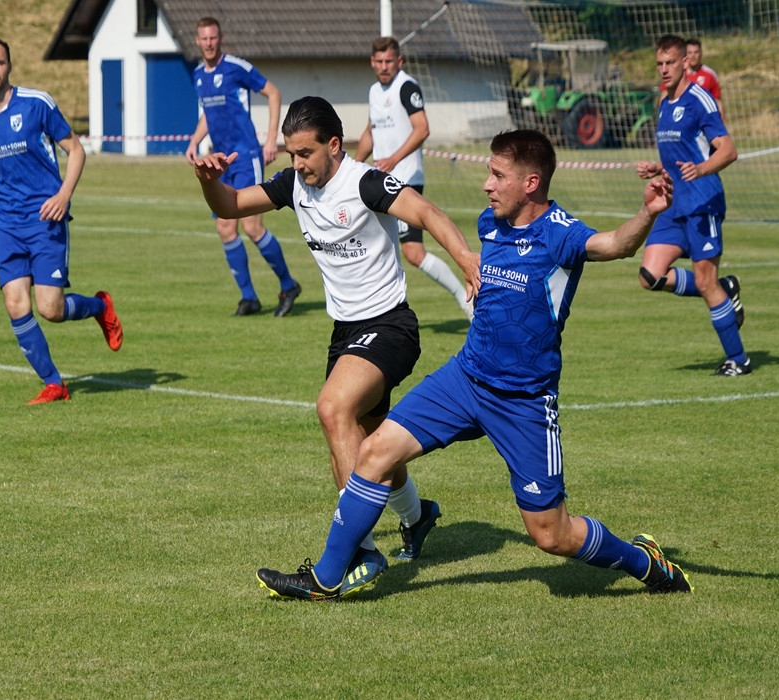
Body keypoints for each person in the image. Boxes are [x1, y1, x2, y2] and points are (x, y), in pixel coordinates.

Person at [256, 128, 693, 601]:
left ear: (530, 183)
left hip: (523, 400)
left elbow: (616, 245)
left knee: (552, 535)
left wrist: (647, 213)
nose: (487, 184)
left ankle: (644, 562)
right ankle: (326, 578)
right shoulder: (491, 222)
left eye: (498, 175)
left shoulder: (561, 233)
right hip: (464, 379)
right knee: (375, 452)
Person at [194, 96, 480, 597]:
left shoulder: (365, 182)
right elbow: (230, 205)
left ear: (333, 145)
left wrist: (465, 258)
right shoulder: (293, 185)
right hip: (345, 333)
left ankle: (359, 554)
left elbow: (425, 210)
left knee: (333, 409)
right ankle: (417, 516)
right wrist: (208, 181)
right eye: (291, 154)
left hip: (390, 327)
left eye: (305, 153)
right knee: (366, 445)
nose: (298, 164)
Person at [0, 37, 123, 405]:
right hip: (7, 224)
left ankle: (99, 307)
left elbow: (75, 150)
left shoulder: (36, 103)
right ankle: (54, 384)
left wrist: (63, 195)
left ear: (9, 66)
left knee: (50, 309)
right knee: (16, 304)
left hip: (45, 219)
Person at [637, 34, 748, 377]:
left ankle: (738, 360)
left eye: (670, 62)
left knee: (705, 280)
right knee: (650, 276)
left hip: (702, 201)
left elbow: (728, 150)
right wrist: (658, 167)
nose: (664, 69)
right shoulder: (664, 103)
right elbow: (682, 150)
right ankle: (724, 288)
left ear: (685, 61)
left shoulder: (700, 99)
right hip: (673, 204)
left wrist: (700, 169)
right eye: (659, 63)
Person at [185, 16, 301, 317]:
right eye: (204, 38)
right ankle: (249, 298)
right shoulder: (198, 75)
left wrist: (271, 139)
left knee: (252, 226)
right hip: (220, 163)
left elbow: (273, 92)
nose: (209, 43)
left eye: (213, 38)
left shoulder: (236, 67)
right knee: (225, 227)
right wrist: (194, 141)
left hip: (246, 156)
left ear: (220, 38)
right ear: (197, 41)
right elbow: (209, 113)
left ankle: (288, 285)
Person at [355, 37, 473, 321]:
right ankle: (377, 311)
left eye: (389, 61)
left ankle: (467, 301)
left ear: (399, 61)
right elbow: (370, 132)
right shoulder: (374, 91)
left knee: (413, 252)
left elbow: (422, 128)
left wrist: (394, 159)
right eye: (379, 61)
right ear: (372, 62)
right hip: (380, 180)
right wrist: (353, 165)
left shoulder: (406, 86)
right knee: (374, 244)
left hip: (405, 179)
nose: (384, 67)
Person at [657, 38, 724, 119]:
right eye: (690, 52)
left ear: (701, 53)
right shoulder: (677, 74)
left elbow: (717, 100)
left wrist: (720, 121)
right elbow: (664, 96)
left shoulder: (710, 74)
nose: (693, 56)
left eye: (696, 52)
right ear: (685, 55)